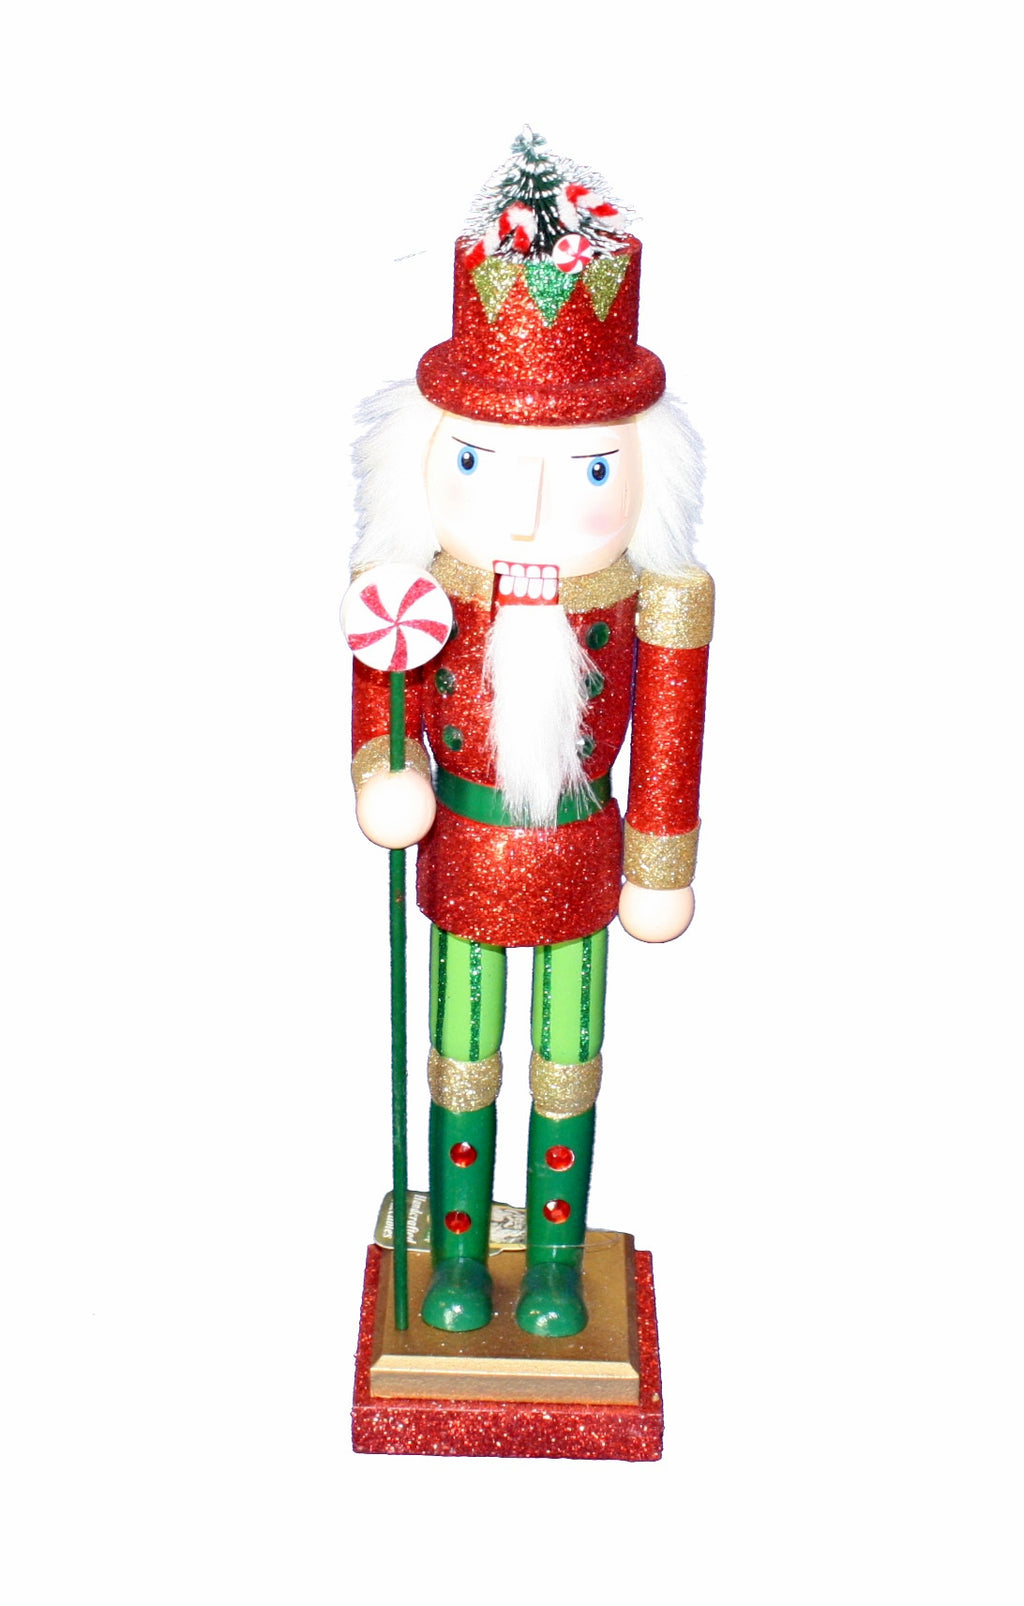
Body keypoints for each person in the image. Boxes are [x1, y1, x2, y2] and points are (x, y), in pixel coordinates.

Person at [349, 132, 713, 1337]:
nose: (533, 506)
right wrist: (385, 771)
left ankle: (554, 1264)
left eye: (588, 468)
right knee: (461, 1056)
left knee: (567, 1063)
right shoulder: (414, 595)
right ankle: (457, 1258)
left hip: (582, 851)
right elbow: (379, 700)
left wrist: (660, 863)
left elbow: (669, 733)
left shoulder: (651, 605)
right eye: (482, 461)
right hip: (462, 846)